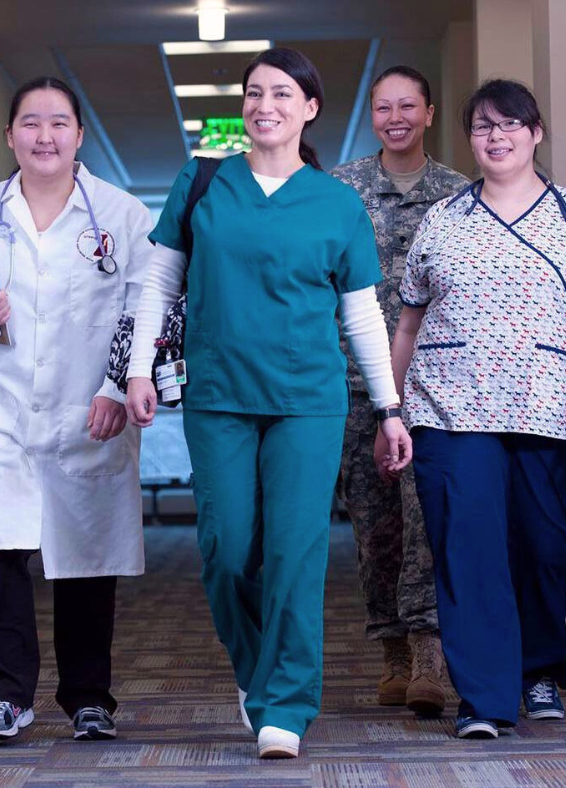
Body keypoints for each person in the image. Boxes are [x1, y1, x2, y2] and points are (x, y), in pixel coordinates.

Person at [125, 47, 411, 759]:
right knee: (226, 550)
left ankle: (287, 700)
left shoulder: (337, 202)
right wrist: (136, 370)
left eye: (282, 94)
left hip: (306, 399)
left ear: (309, 108)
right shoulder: (202, 181)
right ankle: (258, 675)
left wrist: (389, 406)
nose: (264, 105)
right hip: (217, 393)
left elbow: (362, 316)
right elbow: (159, 284)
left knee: (295, 551)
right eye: (254, 93)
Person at [0, 77, 152, 745]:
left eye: (59, 123)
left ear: (79, 134)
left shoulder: (122, 215)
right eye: (31, 123)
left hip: (88, 408)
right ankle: (7, 696)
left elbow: (144, 309)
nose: (45, 136)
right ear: (11, 134)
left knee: (86, 553)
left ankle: (88, 697)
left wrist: (114, 389)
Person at [392, 79, 566, 739]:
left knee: (542, 544)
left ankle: (539, 670)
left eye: (509, 125)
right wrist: (393, 409)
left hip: (548, 407)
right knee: (468, 548)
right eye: (482, 127)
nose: (496, 138)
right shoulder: (445, 218)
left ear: (535, 133)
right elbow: (408, 326)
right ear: (469, 139)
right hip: (450, 406)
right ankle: (486, 699)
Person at [331, 66, 469, 716]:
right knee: (376, 527)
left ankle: (428, 659)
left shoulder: (460, 194)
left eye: (407, 105)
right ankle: (390, 651)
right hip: (358, 386)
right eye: (383, 107)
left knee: (429, 522)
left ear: (429, 112)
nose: (395, 117)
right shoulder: (342, 189)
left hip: (436, 389)